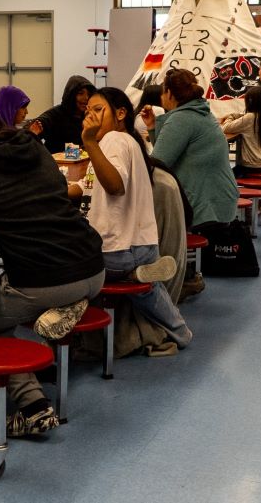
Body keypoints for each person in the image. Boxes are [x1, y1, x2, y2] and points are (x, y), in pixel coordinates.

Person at [0, 105, 102, 438]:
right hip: (92, 264)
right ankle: (71, 304)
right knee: (32, 288)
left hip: (47, 277)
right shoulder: (33, 146)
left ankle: (33, 407)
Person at [80, 87, 189, 347]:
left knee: (62, 266)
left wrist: (90, 142)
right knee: (145, 289)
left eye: (98, 110)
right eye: (87, 112)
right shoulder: (129, 141)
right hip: (143, 246)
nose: (90, 116)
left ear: (120, 114)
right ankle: (179, 330)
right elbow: (88, 185)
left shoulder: (113, 141)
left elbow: (115, 185)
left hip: (114, 251)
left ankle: (72, 335)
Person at [143, 71, 238, 228]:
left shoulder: (181, 119)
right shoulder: (201, 112)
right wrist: (153, 127)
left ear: (169, 93)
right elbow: (169, 151)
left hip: (204, 207)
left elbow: (158, 163)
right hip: (220, 200)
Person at [32, 75, 96, 155]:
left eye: (89, 94)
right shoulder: (55, 114)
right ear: (71, 95)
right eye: (80, 93)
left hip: (83, 163)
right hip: (55, 164)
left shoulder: (89, 115)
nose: (86, 98)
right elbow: (32, 130)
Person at [220, 85, 261, 175]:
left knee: (225, 177)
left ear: (250, 101)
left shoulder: (249, 118)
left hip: (251, 166)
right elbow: (244, 115)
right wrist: (236, 115)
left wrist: (230, 117)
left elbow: (225, 128)